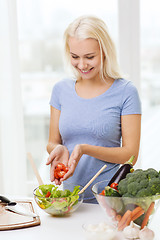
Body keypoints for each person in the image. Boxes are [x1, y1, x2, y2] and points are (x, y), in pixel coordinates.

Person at [46, 15, 142, 203]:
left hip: (110, 200)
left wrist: (84, 149)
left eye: (89, 57)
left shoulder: (126, 92)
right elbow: (52, 142)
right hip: (70, 200)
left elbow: (130, 155)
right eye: (75, 57)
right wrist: (59, 149)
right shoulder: (60, 90)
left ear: (104, 52)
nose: (81, 65)